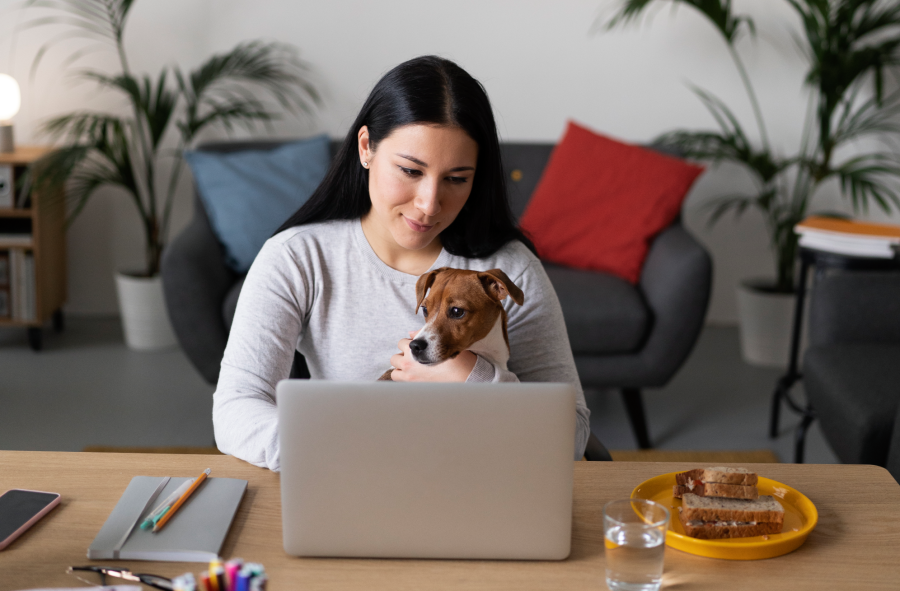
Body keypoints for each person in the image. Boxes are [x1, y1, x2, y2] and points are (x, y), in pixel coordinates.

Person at [213, 55, 590, 471]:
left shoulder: (509, 269)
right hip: (348, 480)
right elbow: (235, 409)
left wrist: (470, 375)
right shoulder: (298, 258)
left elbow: (570, 434)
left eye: (457, 178)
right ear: (366, 148)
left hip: (479, 487)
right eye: (411, 170)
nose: (430, 204)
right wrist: (343, 452)